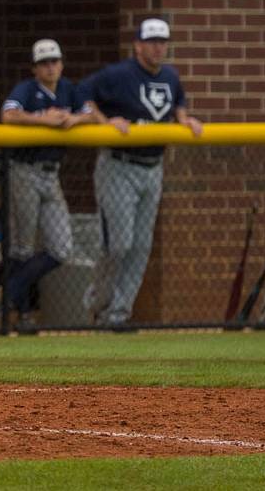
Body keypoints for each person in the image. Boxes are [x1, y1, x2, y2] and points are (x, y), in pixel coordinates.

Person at [83, 19, 202, 327]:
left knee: (140, 246)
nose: (158, 46)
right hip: (119, 165)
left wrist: (185, 119)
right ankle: (96, 304)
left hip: (153, 167)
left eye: (162, 41)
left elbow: (177, 104)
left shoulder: (171, 76)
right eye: (151, 41)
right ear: (137, 45)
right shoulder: (118, 75)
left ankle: (118, 316)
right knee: (119, 242)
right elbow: (82, 96)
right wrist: (103, 121)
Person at [0, 38, 96, 328]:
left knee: (61, 247)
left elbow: (91, 114)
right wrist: (44, 120)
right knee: (22, 246)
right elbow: (8, 115)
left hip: (51, 173)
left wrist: (73, 120)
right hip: (24, 170)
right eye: (44, 63)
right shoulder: (27, 90)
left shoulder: (69, 89)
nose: (50, 67)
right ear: (35, 68)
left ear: (62, 64)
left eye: (54, 61)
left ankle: (11, 291)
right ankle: (22, 314)